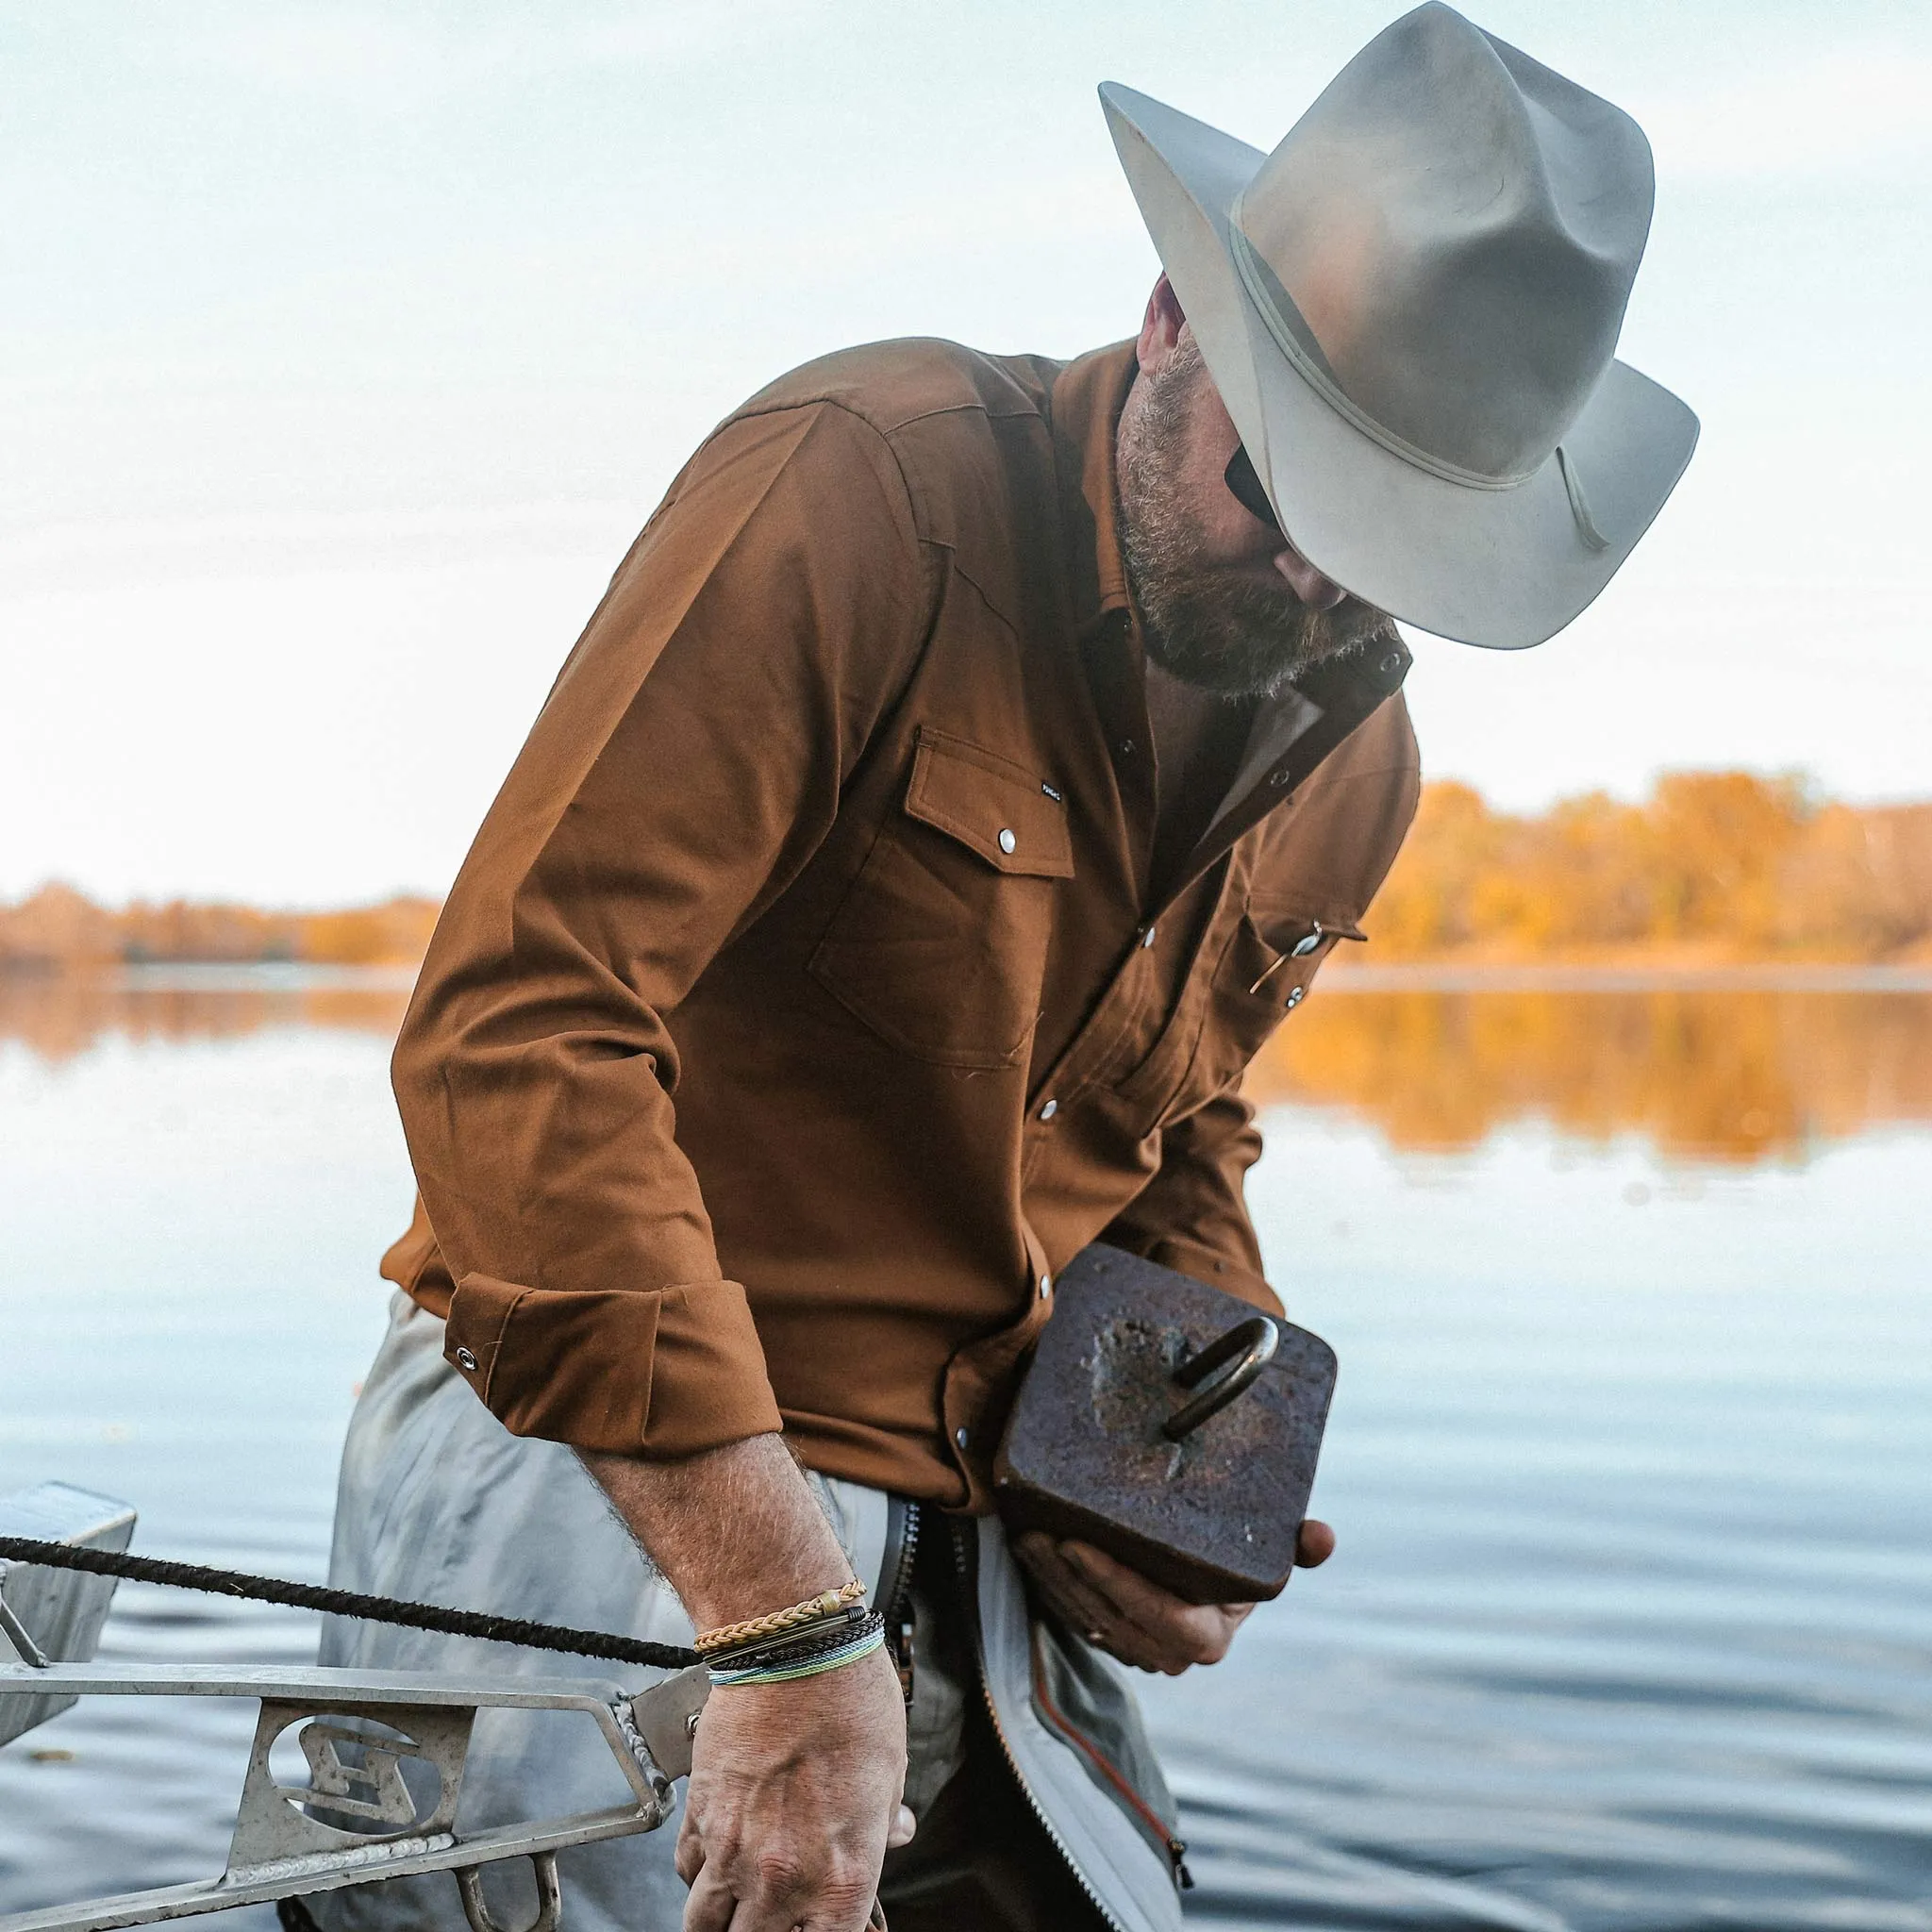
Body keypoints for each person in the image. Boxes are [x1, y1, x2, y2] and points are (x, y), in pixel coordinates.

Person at [308, 8, 1696, 1931]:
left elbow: (1178, 1124)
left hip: (981, 1555)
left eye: (1393, 555)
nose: (1313, 592)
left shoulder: (1356, 760)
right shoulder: (857, 486)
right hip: (617, 1475)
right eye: (1282, 494)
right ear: (1166, 320)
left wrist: (1164, 1471)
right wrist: (778, 1618)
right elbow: (514, 1036)